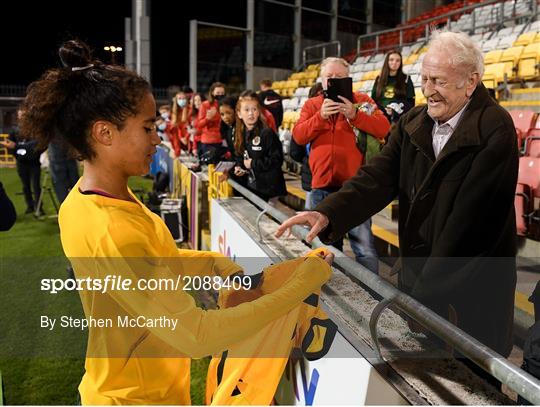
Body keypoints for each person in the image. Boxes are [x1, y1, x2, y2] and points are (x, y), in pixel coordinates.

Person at [21, 39, 333, 405]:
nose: (158, 139)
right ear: (104, 133)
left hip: (143, 385)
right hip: (135, 397)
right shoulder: (111, 229)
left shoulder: (88, 198)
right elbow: (198, 336)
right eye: (148, 128)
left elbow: (153, 262)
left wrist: (214, 264)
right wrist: (299, 287)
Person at [277, 31, 518, 369]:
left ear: (471, 82)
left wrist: (419, 297)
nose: (428, 90)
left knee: (473, 381)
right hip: (424, 289)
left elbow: (469, 224)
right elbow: (376, 177)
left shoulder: (496, 128)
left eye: (439, 81)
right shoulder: (414, 122)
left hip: (470, 296)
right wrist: (328, 213)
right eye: (424, 79)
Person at [291, 57, 390, 274]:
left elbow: (384, 128)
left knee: (364, 248)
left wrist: (355, 114)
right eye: (329, 77)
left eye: (339, 77)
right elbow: (298, 136)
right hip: (321, 188)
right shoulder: (313, 104)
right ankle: (327, 292)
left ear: (349, 79)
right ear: (322, 80)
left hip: (355, 189)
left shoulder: (363, 101)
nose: (333, 81)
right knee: (323, 249)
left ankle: (371, 299)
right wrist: (320, 117)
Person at [231, 90, 287, 202]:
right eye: (246, 110)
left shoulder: (267, 133)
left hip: (269, 190)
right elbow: (240, 156)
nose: (251, 113)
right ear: (239, 113)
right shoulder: (239, 133)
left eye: (254, 109)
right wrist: (239, 167)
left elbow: (277, 160)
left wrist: (253, 164)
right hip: (253, 187)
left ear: (259, 112)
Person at [1, 109, 44, 216]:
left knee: (36, 186)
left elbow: (38, 146)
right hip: (22, 163)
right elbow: (10, 146)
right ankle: (29, 206)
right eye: (20, 115)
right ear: (18, 117)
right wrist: (18, 156)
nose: (22, 117)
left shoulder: (35, 129)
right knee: (26, 186)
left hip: (34, 163)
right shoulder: (14, 130)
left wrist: (32, 154)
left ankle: (39, 207)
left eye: (24, 115)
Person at [289, 83, 323, 210]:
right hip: (316, 177)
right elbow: (294, 151)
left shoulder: (303, 123)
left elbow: (295, 152)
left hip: (312, 176)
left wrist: (307, 161)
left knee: (311, 215)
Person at [371, 50, 415, 125]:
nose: (394, 62)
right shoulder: (379, 79)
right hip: (380, 118)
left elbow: (411, 103)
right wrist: (382, 110)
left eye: (398, 60)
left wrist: (394, 111)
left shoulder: (406, 79)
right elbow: (373, 100)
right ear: (387, 62)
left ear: (400, 63)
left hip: (399, 120)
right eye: (391, 60)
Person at [197, 82, 226, 159]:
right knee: (210, 166)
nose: (220, 95)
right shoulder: (205, 105)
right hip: (208, 141)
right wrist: (208, 118)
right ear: (212, 93)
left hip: (222, 140)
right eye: (218, 93)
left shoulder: (225, 105)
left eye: (222, 93)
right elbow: (199, 125)